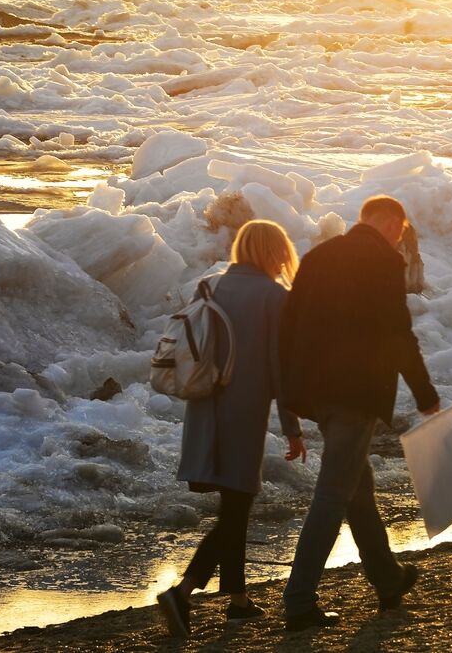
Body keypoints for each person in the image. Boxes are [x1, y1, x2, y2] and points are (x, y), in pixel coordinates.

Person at [279, 195, 441, 632]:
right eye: (400, 230)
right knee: (334, 493)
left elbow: (288, 326)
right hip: (356, 392)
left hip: (318, 392)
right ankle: (298, 601)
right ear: (389, 223)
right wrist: (425, 393)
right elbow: (397, 332)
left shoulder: (318, 256)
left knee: (356, 488)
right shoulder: (383, 260)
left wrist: (290, 390)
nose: (399, 238)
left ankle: (388, 581)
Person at [157, 220, 307, 638]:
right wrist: (292, 427)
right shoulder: (274, 297)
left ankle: (238, 601)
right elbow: (281, 369)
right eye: (280, 251)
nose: (283, 258)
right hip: (242, 416)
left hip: (205, 408)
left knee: (233, 506)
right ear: (271, 252)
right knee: (236, 509)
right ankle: (182, 593)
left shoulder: (210, 284)